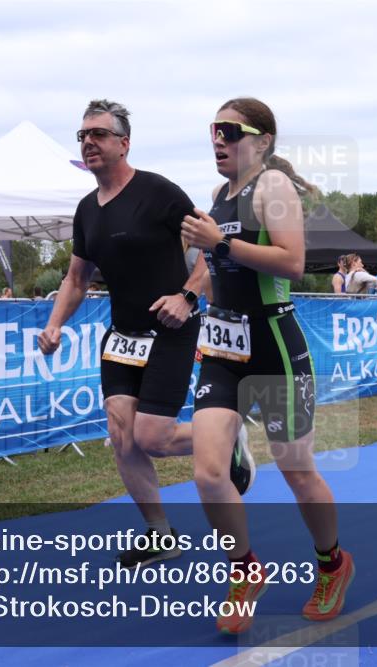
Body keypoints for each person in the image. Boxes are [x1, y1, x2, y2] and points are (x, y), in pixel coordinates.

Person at [37, 99, 255, 569]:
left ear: (123, 142)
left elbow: (215, 247)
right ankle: (160, 533)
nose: (89, 142)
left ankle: (229, 432)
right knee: (122, 436)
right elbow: (76, 278)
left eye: (98, 134)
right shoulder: (86, 211)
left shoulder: (157, 192)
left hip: (171, 328)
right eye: (83, 136)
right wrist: (54, 324)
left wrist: (188, 297)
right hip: (122, 335)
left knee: (152, 436)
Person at [181, 97, 354, 635]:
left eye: (229, 130)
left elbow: (293, 262)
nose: (218, 138)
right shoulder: (218, 195)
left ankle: (332, 563)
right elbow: (216, 268)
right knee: (209, 473)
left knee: (297, 469)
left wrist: (221, 240)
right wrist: (190, 297)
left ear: (262, 140)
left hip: (275, 345)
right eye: (213, 129)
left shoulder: (272, 187)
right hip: (223, 350)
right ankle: (244, 571)